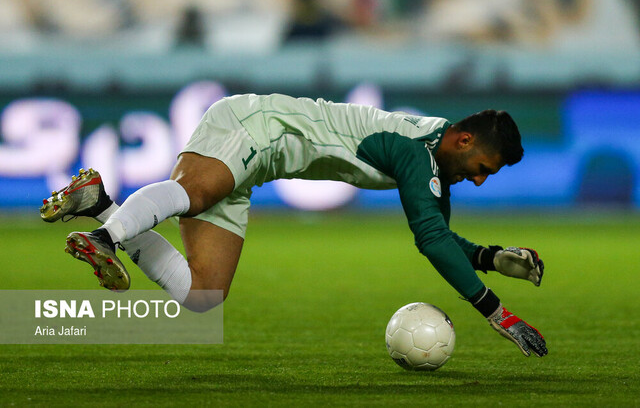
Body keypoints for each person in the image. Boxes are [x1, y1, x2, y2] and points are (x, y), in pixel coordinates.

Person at [40, 93, 547, 357]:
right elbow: (432, 241)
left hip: (257, 165)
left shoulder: (435, 154)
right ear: (463, 141)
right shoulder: (419, 153)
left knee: (203, 295)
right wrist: (498, 314)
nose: (479, 181)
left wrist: (489, 257)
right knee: (195, 195)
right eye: (483, 168)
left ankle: (99, 204)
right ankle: (105, 239)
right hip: (257, 127)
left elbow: (441, 235)